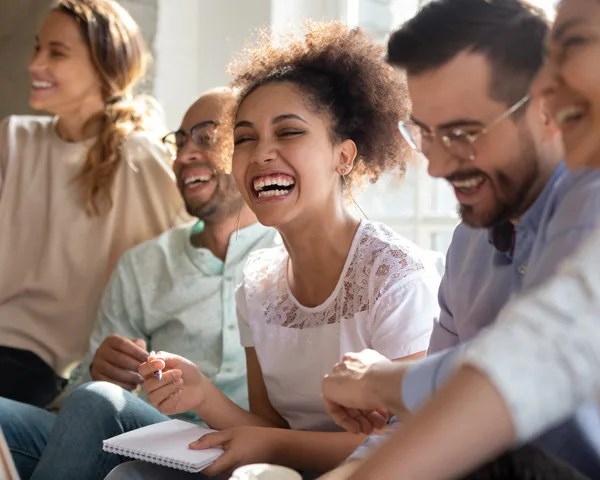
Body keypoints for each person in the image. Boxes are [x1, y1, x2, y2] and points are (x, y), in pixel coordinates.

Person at [105, 20, 440, 480]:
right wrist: (202, 395)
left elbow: (411, 441)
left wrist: (270, 443)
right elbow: (271, 428)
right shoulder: (259, 285)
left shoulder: (397, 276)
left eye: (288, 133)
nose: (261, 153)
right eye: (244, 138)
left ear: (343, 156)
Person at [320, 0, 600, 478]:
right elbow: (429, 416)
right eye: (424, 133)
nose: (438, 165)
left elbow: (529, 359)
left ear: (545, 109)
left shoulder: (588, 199)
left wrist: (379, 380)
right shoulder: (468, 245)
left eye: (463, 133)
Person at [0, 87, 279, 480]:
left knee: (98, 403)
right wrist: (100, 372)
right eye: (179, 142)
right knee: (85, 398)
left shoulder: (289, 255)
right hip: (140, 431)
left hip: (233, 449)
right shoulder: (145, 263)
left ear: (249, 146)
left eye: (206, 138)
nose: (183, 157)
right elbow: (82, 396)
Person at [0, 0, 187, 408]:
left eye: (57, 53)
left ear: (105, 64)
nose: (35, 64)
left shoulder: (138, 156)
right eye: (37, 48)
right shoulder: (13, 139)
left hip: (37, 367)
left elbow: (183, 259)